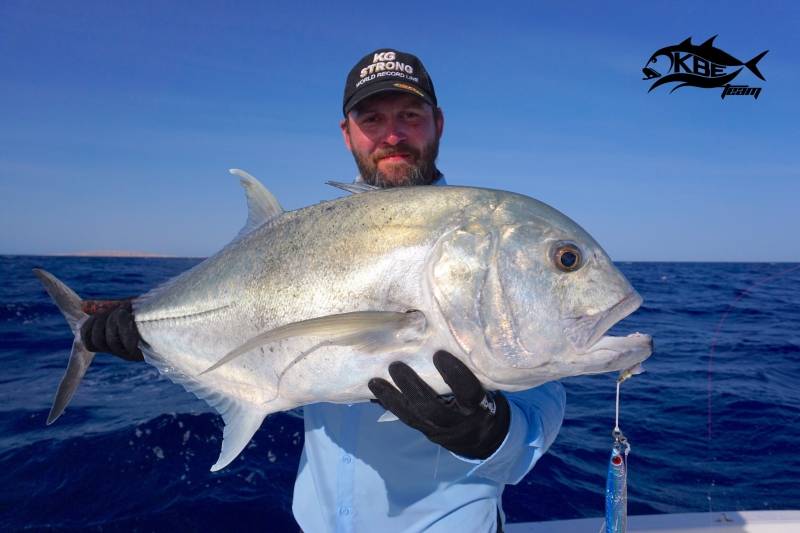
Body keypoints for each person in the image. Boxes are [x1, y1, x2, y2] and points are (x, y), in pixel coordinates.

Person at [79, 49, 566, 533]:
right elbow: (242, 316)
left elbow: (543, 405)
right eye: (372, 118)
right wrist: (154, 333)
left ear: (437, 122)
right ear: (347, 132)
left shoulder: (480, 238)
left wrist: (491, 431)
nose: (392, 134)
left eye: (410, 116)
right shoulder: (303, 242)